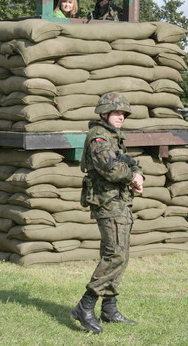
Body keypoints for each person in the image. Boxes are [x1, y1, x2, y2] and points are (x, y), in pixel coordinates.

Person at [72, 92, 144, 334]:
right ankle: (86, 305)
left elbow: (128, 161)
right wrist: (131, 174)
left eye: (123, 113)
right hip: (108, 203)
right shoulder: (99, 138)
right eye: (116, 112)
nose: (121, 117)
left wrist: (137, 172)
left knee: (120, 254)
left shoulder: (114, 138)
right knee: (115, 255)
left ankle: (109, 308)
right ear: (103, 113)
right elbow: (112, 170)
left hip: (119, 202)